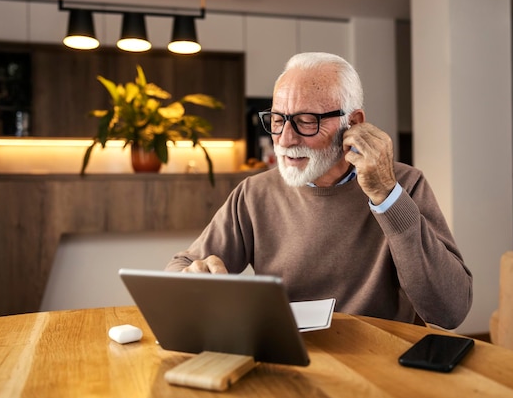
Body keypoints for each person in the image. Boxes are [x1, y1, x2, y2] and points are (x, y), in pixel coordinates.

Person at [165, 52, 473, 329]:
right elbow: (180, 266)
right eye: (277, 119)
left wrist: (387, 197)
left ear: (353, 123)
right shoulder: (254, 193)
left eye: (306, 121)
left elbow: (450, 311)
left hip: (379, 368)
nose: (284, 139)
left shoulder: (404, 185)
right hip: (290, 360)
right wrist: (191, 278)